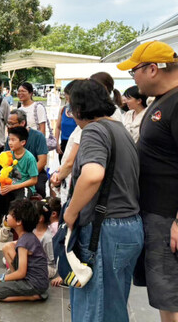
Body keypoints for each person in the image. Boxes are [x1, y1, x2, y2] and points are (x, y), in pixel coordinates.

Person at [63, 78, 143, 322]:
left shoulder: (95, 130)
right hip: (128, 227)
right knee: (113, 306)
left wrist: (71, 212)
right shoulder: (119, 129)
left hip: (105, 229)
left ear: (78, 109)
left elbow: (92, 175)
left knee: (93, 309)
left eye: (69, 107)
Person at [117, 41, 178, 322]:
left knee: (169, 290)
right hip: (156, 213)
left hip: (167, 217)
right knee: (164, 293)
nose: (134, 79)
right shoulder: (162, 101)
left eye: (134, 72)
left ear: (153, 69)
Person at [0, 199, 49, 302]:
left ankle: (33, 296)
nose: (7, 216)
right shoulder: (28, 236)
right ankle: (17, 283)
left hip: (34, 284)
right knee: (7, 247)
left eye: (10, 214)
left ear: (19, 222)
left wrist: (1, 278)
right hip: (40, 281)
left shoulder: (24, 242)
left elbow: (21, 272)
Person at [0, 126, 38, 217]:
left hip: (23, 186)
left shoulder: (30, 158)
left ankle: (11, 218)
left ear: (22, 142)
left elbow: (34, 180)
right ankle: (6, 215)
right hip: (9, 184)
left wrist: (14, 187)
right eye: (9, 140)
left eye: (13, 140)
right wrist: (2, 184)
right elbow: (5, 172)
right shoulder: (8, 154)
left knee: (20, 205)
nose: (10, 143)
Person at [5, 110, 48, 198]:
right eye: (8, 124)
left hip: (35, 173)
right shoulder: (10, 138)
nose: (9, 127)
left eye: (12, 124)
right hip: (15, 173)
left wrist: (27, 177)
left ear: (23, 123)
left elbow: (42, 161)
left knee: (39, 189)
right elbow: (6, 159)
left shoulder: (38, 136)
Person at [54, 82, 77, 162]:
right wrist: (56, 143)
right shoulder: (63, 109)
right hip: (64, 144)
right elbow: (57, 127)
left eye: (68, 99)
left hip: (76, 144)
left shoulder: (81, 112)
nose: (67, 101)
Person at [33, 201, 57, 278]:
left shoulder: (47, 238)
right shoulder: (33, 230)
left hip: (47, 267)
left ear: (40, 219)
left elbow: (51, 261)